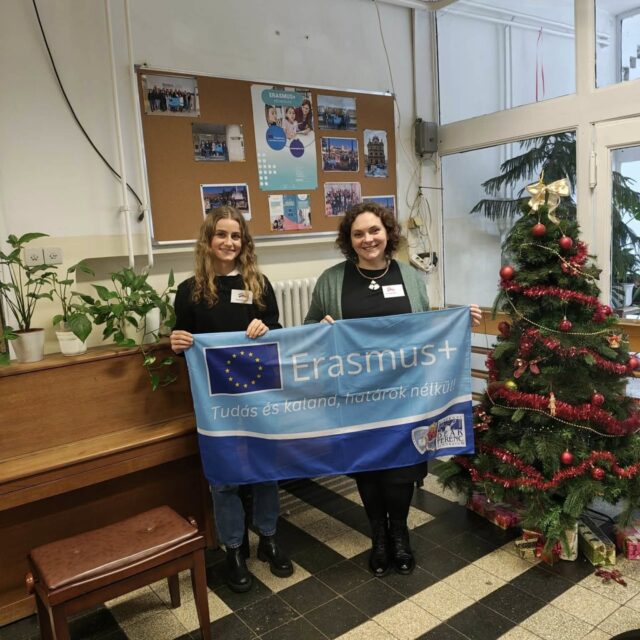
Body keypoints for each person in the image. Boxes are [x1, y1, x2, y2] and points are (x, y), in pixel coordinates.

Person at [304, 202, 482, 578]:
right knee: (368, 469)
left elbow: (427, 326)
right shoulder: (332, 280)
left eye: (374, 231)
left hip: (405, 395)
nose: (368, 239)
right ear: (349, 240)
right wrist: (320, 327)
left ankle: (399, 534)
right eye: (358, 234)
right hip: (357, 396)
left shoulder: (409, 277)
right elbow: (309, 329)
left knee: (402, 468)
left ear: (387, 233)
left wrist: (460, 318)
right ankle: (379, 538)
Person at [170, 206, 293, 593]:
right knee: (224, 480)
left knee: (266, 471)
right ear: (208, 241)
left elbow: (277, 332)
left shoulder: (258, 284)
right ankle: (234, 549)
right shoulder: (190, 291)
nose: (229, 242)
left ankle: (268, 538)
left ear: (244, 242)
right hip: (217, 401)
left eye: (236, 236)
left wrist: (266, 327)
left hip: (259, 396)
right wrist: (176, 342)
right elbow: (182, 342)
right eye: (221, 235)